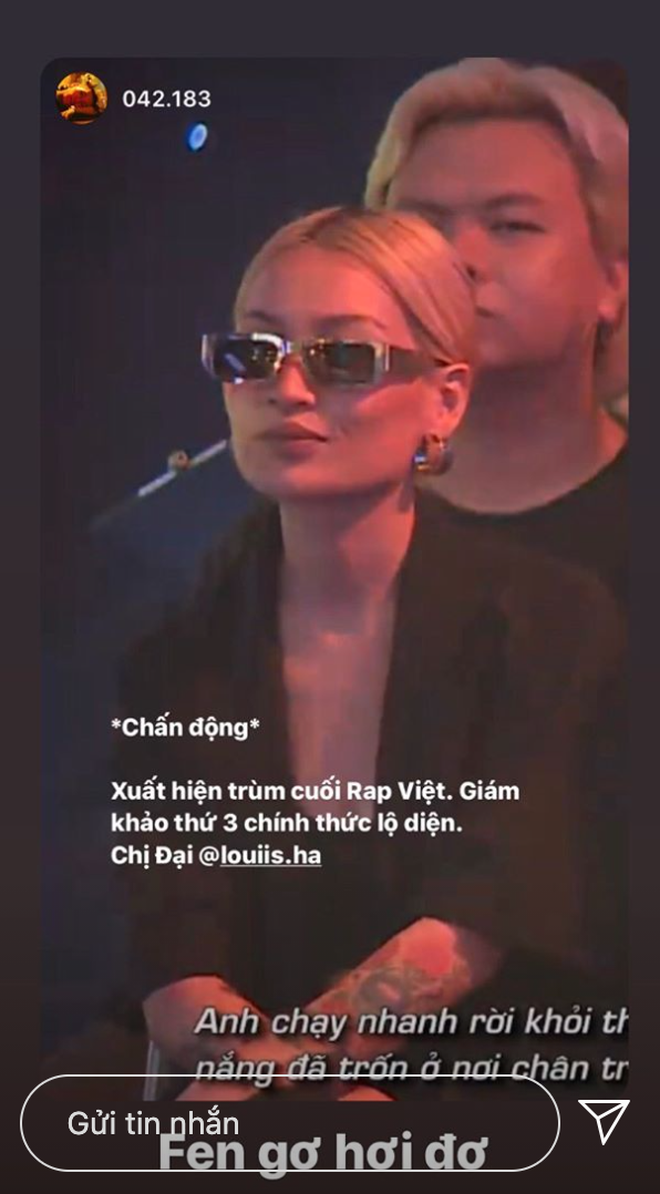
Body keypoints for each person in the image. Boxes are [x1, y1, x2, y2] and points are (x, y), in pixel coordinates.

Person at [108, 206, 625, 1103]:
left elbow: (488, 909)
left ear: (445, 399)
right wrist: (259, 1075)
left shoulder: (552, 621)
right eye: (254, 353)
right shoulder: (173, 645)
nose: (287, 389)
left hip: (498, 1070)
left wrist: (305, 1076)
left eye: (344, 357)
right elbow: (173, 947)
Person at [365, 58, 628, 606]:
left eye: (511, 225)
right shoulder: (308, 522)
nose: (457, 258)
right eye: (422, 228)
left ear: (613, 279)